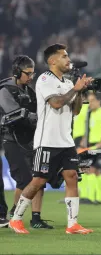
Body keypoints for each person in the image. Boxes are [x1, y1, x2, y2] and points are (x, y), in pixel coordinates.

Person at [8, 43, 93, 234]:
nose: (68, 59)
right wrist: (74, 89)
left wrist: (80, 90)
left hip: (66, 141)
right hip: (47, 140)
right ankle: (16, 219)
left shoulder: (68, 83)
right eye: (64, 56)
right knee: (38, 180)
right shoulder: (44, 79)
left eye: (67, 55)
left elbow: (76, 110)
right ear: (52, 60)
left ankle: (72, 224)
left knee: (72, 177)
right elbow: (55, 103)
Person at [0, 55, 53, 229]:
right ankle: (15, 215)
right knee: (24, 180)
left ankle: (23, 216)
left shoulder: (28, 90)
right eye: (27, 73)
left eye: (33, 73)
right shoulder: (5, 90)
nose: (31, 77)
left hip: (28, 140)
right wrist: (34, 117)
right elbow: (13, 113)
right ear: (17, 71)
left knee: (35, 179)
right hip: (10, 140)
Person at [77, 92, 101, 204]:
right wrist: (84, 140)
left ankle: (92, 197)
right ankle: (96, 197)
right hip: (90, 143)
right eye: (89, 101)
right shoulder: (90, 113)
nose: (90, 103)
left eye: (92, 101)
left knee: (92, 169)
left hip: (97, 144)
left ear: (98, 102)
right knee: (92, 170)